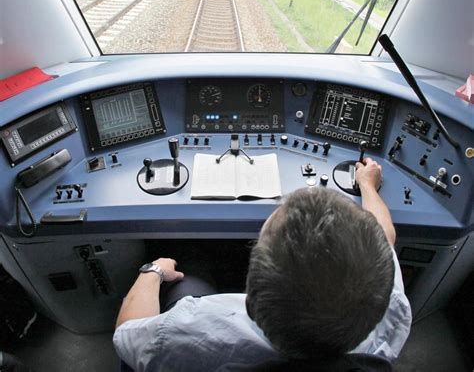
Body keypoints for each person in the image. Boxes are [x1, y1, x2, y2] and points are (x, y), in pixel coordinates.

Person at [113, 158, 411, 371]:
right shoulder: (391, 306)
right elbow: (383, 235)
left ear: (251, 303)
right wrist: (368, 186)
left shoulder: (190, 328)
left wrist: (153, 271)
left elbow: (127, 333)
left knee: (190, 264)